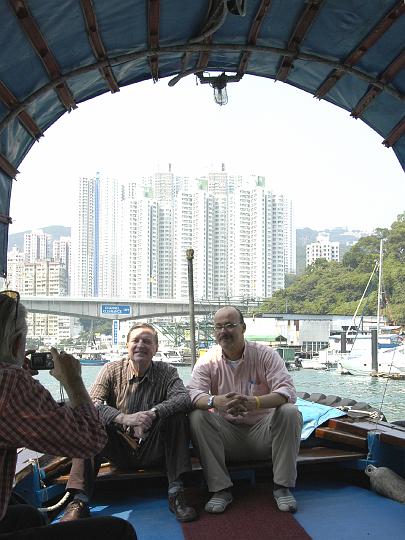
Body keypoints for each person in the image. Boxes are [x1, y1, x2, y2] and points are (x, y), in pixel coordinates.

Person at [0, 290, 137, 539]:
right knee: (119, 531)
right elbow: (90, 439)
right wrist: (73, 381)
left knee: (29, 516)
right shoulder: (10, 382)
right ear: (17, 342)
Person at [61, 323, 197, 523]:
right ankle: (79, 500)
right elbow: (92, 403)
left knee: (176, 417)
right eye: (135, 341)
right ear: (127, 346)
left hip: (154, 448)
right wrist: (124, 418)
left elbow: (183, 398)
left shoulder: (167, 371)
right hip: (120, 448)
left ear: (156, 348)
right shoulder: (111, 370)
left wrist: (153, 414)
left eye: (147, 341)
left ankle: (176, 491)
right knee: (91, 421)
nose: (140, 345)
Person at [187, 306, 303, 514]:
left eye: (230, 325)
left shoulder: (266, 356)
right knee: (197, 416)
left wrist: (254, 402)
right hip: (227, 438)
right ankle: (221, 489)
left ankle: (282, 487)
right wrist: (215, 401)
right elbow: (193, 394)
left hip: (262, 435)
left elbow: (287, 392)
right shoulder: (207, 361)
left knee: (290, 412)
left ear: (243, 328)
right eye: (218, 327)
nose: (224, 331)